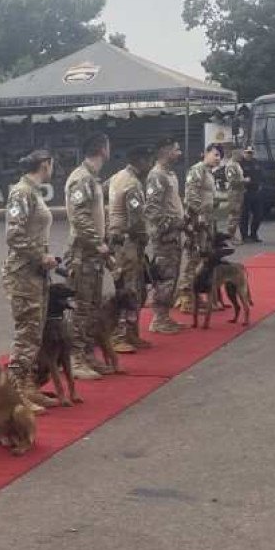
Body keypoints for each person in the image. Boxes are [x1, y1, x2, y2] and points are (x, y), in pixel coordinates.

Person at [2, 150, 58, 411]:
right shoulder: (22, 192)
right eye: (51, 164)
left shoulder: (33, 192)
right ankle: (14, 391)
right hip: (24, 273)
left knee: (34, 333)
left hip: (36, 273)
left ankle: (26, 385)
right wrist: (40, 256)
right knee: (27, 333)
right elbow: (14, 235)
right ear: (45, 165)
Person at [62, 133, 111, 379]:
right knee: (81, 308)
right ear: (102, 149)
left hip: (93, 255)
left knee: (92, 307)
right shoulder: (81, 179)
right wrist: (97, 241)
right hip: (83, 253)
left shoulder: (92, 178)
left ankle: (87, 353)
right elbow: (80, 217)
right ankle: (74, 358)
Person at [105, 146, 154, 353]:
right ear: (140, 161)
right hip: (128, 243)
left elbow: (103, 195)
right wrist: (143, 237)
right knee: (129, 289)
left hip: (116, 240)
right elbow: (135, 221)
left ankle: (131, 333)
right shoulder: (132, 184)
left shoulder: (116, 177)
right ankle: (120, 335)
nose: (149, 165)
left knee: (127, 287)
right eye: (147, 161)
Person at [144, 137, 186, 334]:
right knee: (165, 277)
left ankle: (165, 316)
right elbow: (152, 210)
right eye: (176, 149)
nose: (179, 153)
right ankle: (159, 319)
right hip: (164, 237)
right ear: (166, 151)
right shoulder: (157, 176)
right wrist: (171, 225)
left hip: (174, 235)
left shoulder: (170, 174)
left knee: (172, 277)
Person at [176, 143, 220, 315]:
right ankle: (185, 297)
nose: (218, 159)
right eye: (215, 154)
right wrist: (200, 214)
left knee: (201, 257)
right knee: (193, 258)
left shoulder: (208, 172)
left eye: (219, 156)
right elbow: (191, 193)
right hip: (196, 221)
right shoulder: (197, 170)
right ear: (206, 154)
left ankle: (193, 295)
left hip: (206, 220)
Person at [220, 146, 247, 244]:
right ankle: (231, 236)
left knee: (237, 214)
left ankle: (233, 234)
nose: (242, 155)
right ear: (235, 153)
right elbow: (232, 180)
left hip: (239, 192)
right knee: (234, 214)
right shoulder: (231, 165)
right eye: (240, 154)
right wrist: (244, 180)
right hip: (234, 192)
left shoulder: (237, 164)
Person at [238, 149, 265, 243]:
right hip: (246, 192)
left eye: (251, 153)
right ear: (243, 153)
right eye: (247, 153)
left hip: (256, 192)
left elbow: (262, 175)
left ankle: (254, 234)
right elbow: (237, 178)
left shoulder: (256, 162)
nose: (249, 155)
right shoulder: (240, 164)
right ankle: (244, 236)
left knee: (258, 215)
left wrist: (261, 185)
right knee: (244, 215)